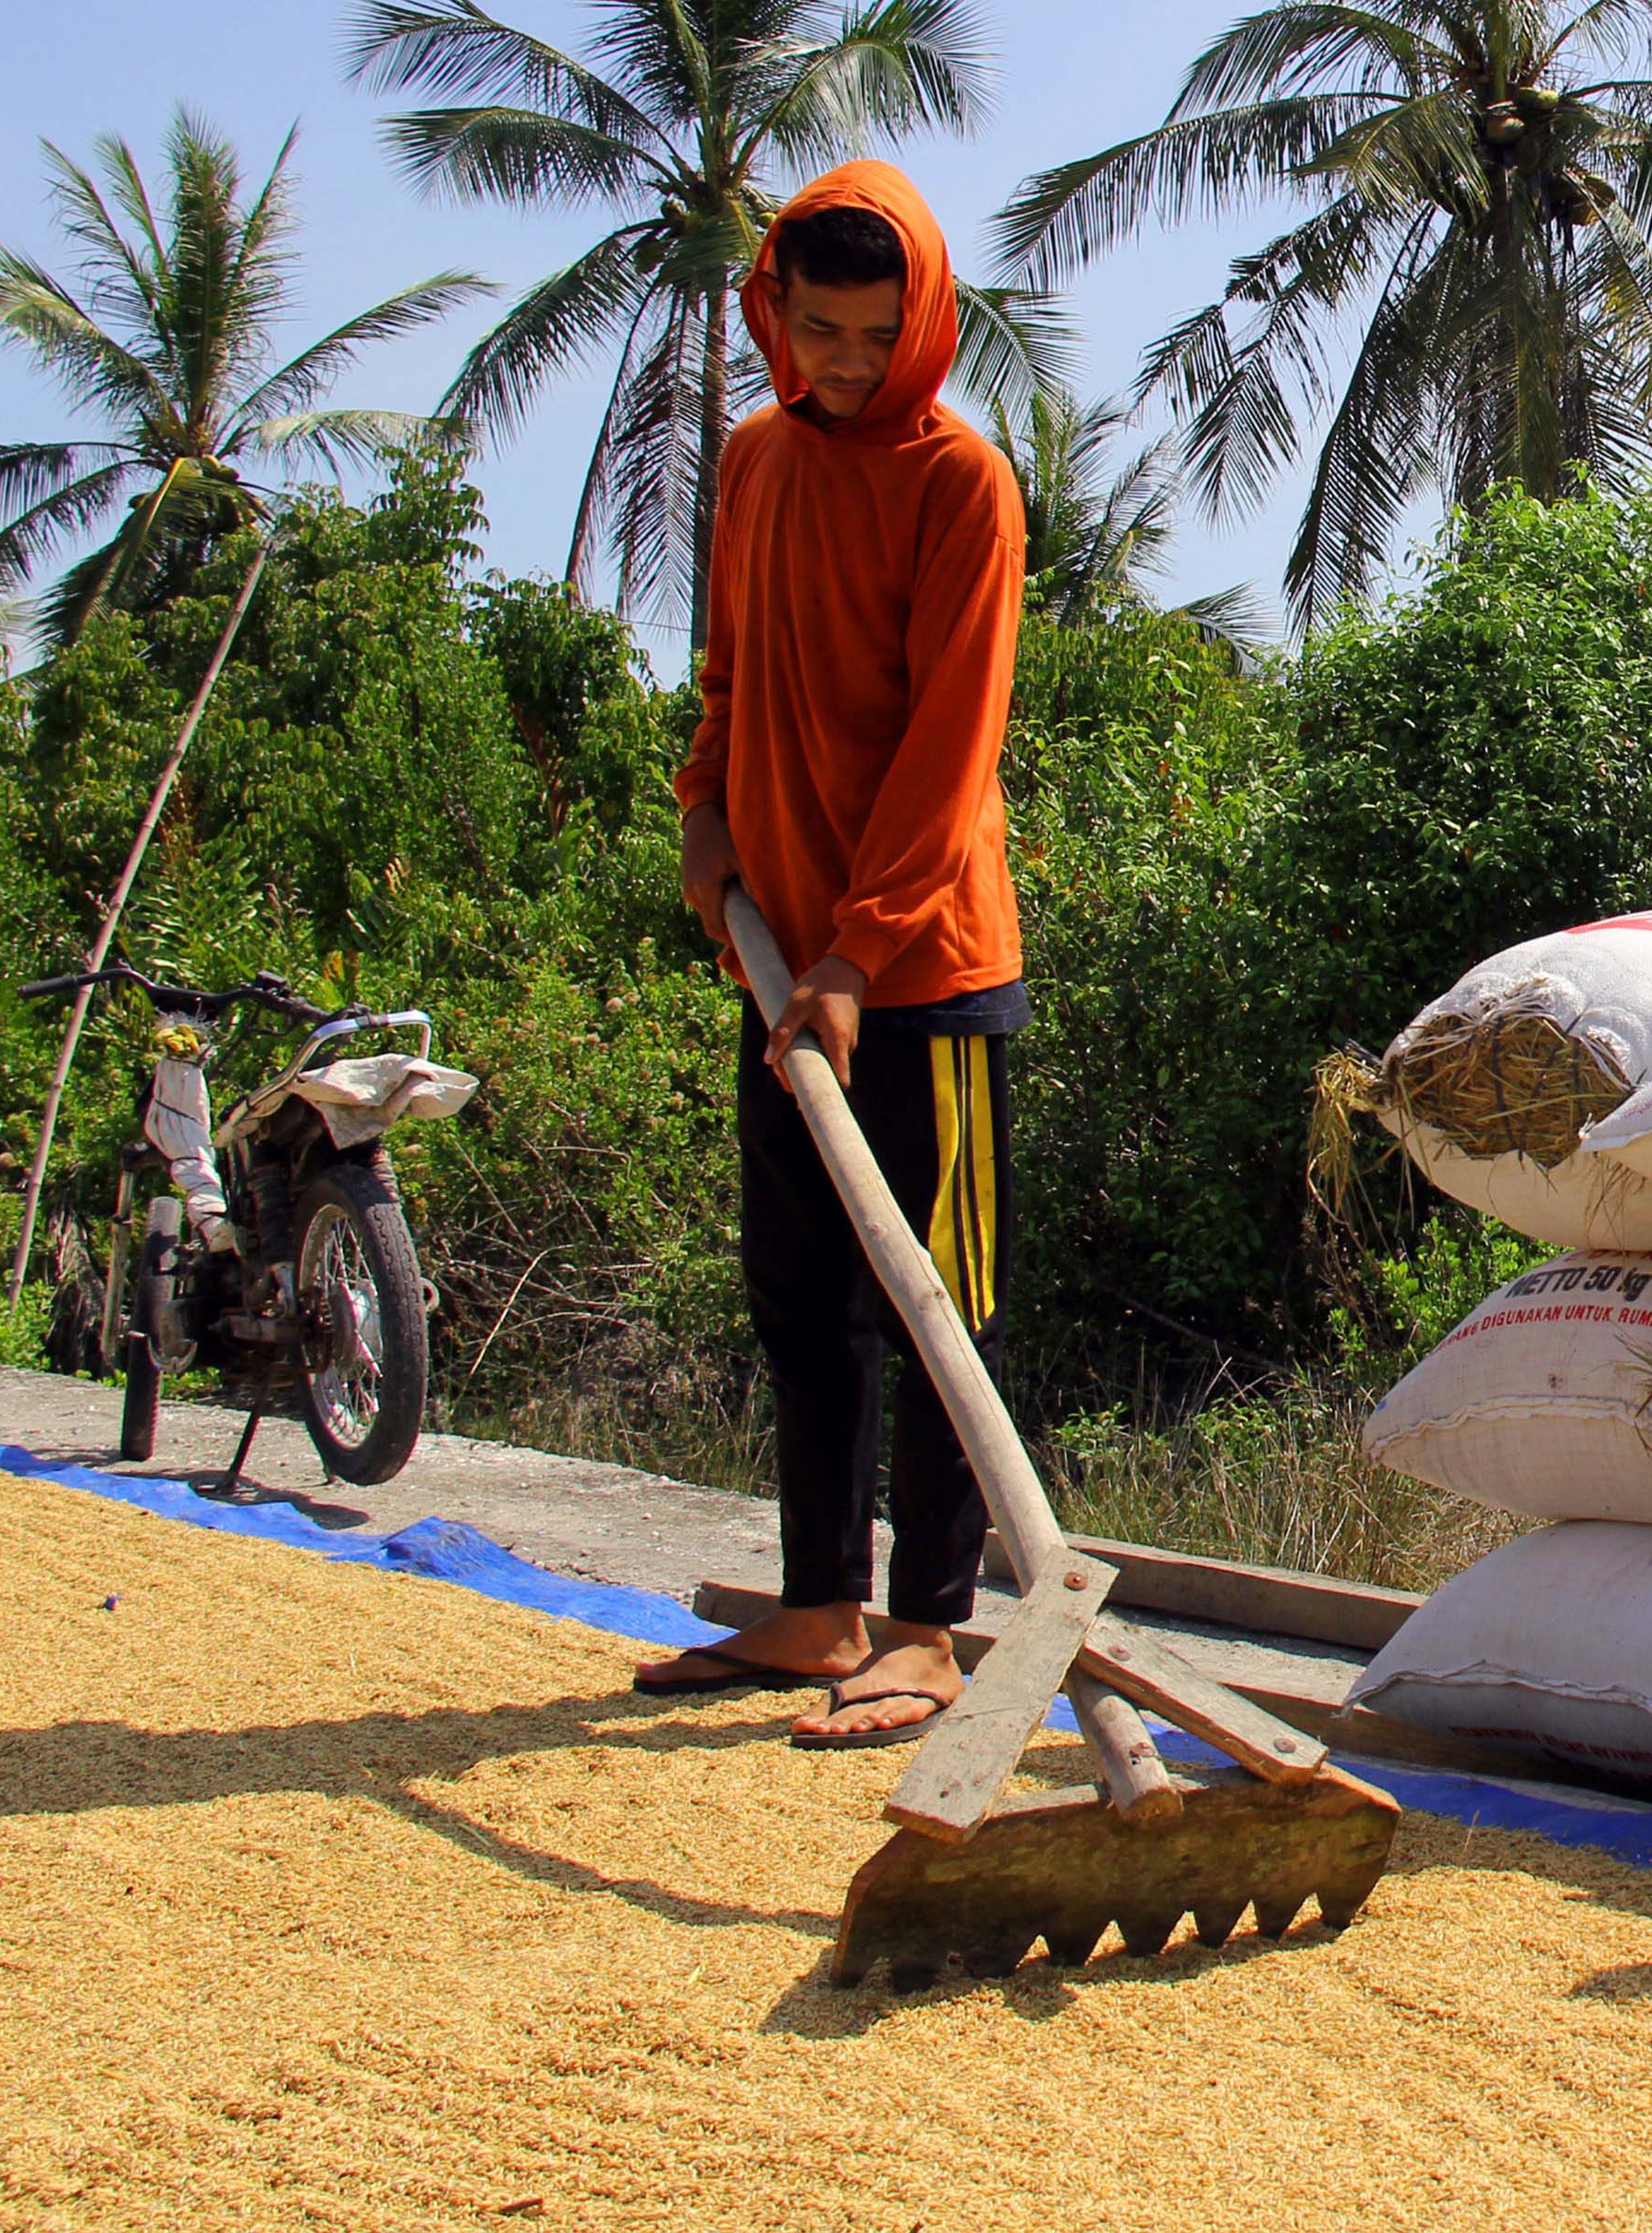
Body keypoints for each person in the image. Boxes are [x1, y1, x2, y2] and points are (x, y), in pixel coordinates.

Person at [630, 161, 1030, 1748]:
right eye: (818, 330)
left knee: (942, 1305)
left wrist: (863, 959)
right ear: (772, 313)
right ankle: (818, 1607)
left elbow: (949, 751)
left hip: (922, 981)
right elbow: (730, 671)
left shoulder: (963, 484)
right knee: (802, 1295)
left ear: (921, 316)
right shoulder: (755, 461)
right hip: (783, 965)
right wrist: (705, 817)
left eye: (876, 334)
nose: (846, 365)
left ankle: (930, 1628)